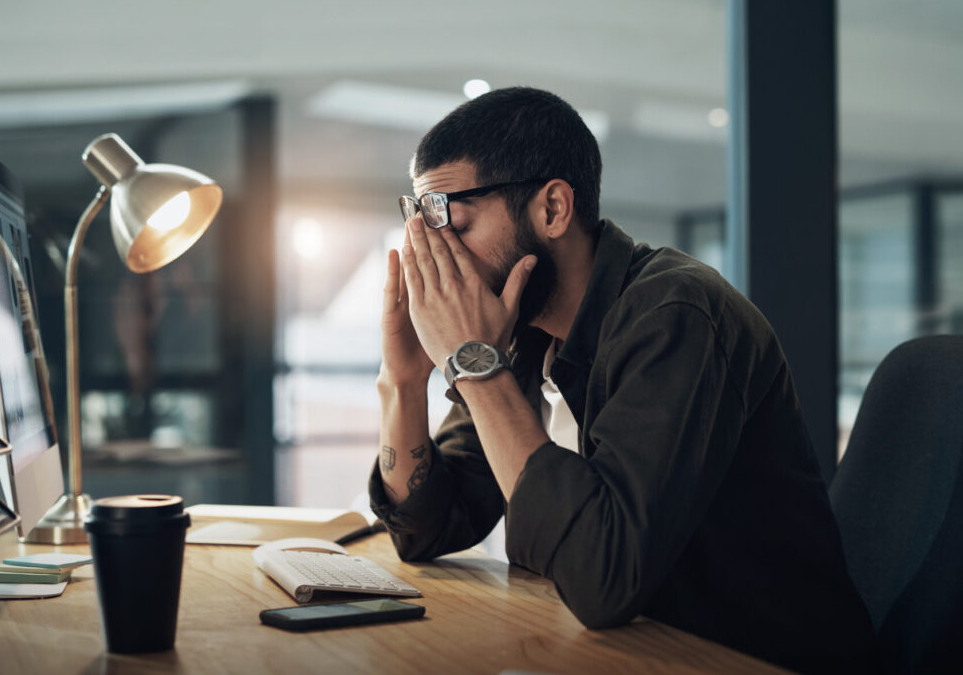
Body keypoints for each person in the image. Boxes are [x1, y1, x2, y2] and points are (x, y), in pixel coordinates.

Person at [368, 87, 879, 673]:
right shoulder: (521, 333)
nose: (431, 254)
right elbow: (427, 527)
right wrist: (404, 380)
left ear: (553, 209)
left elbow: (603, 576)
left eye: (451, 223)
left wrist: (473, 362)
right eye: (421, 225)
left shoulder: (675, 315)